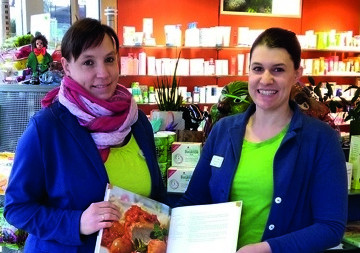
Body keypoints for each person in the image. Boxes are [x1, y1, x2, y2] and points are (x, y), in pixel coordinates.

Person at [177, 27, 348, 253]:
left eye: (278, 69)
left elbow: (330, 227)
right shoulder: (223, 131)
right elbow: (193, 200)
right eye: (258, 68)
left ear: (297, 73)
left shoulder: (320, 139)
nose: (265, 79)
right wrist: (154, 219)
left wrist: (268, 248)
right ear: (248, 71)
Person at [4, 18, 166, 252]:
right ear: (67, 67)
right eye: (88, 62)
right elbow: (17, 207)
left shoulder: (137, 122)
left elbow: (156, 197)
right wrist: (76, 222)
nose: (103, 73)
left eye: (109, 60)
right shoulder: (47, 128)